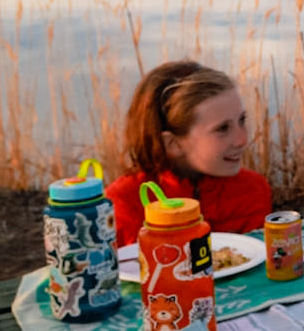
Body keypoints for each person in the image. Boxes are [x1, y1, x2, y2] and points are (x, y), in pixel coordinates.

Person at [105, 60, 272, 246]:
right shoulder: (123, 205)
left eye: (242, 120)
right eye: (222, 128)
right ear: (173, 144)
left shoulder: (252, 191)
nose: (242, 140)